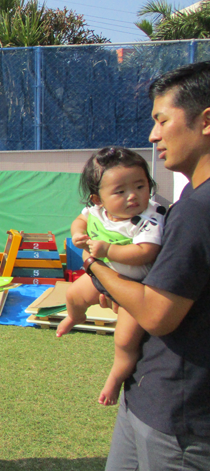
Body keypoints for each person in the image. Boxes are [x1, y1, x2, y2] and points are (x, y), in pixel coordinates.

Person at [82, 62, 210, 471]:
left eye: (162, 120)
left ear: (206, 121)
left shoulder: (197, 209)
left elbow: (157, 312)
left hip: (179, 415)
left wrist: (95, 266)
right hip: (149, 395)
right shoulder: (190, 197)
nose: (154, 136)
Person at [56, 147, 165, 406]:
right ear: (97, 199)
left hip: (133, 288)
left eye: (140, 186)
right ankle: (75, 316)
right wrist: (77, 235)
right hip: (102, 277)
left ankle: (115, 378)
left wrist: (109, 250)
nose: (133, 196)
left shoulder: (149, 217)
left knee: (125, 340)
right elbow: (78, 222)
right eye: (120, 191)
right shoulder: (96, 212)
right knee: (72, 295)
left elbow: (146, 252)